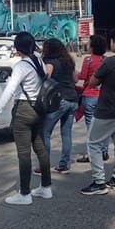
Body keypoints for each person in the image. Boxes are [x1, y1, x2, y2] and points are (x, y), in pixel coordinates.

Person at [0, 32, 52, 205]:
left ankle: (24, 194)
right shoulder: (39, 61)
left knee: (24, 154)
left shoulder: (21, 65)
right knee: (40, 149)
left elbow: (9, 89)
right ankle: (46, 188)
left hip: (24, 110)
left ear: (17, 48)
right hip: (39, 109)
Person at [80, 28, 115, 196]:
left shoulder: (110, 62)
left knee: (93, 143)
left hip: (108, 109)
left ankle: (99, 182)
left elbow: (92, 82)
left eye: (112, 41)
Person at [38, 38, 79, 175]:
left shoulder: (50, 63)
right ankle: (64, 164)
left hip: (59, 100)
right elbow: (76, 79)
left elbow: (44, 78)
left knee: (45, 132)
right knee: (66, 133)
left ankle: (44, 166)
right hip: (73, 99)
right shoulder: (69, 62)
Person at [75, 35, 109, 164]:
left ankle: (92, 153)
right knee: (104, 125)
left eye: (89, 44)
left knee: (91, 127)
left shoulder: (88, 60)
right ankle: (104, 150)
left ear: (93, 46)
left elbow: (82, 76)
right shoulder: (106, 60)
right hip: (104, 96)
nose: (87, 46)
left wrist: (74, 73)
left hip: (89, 96)